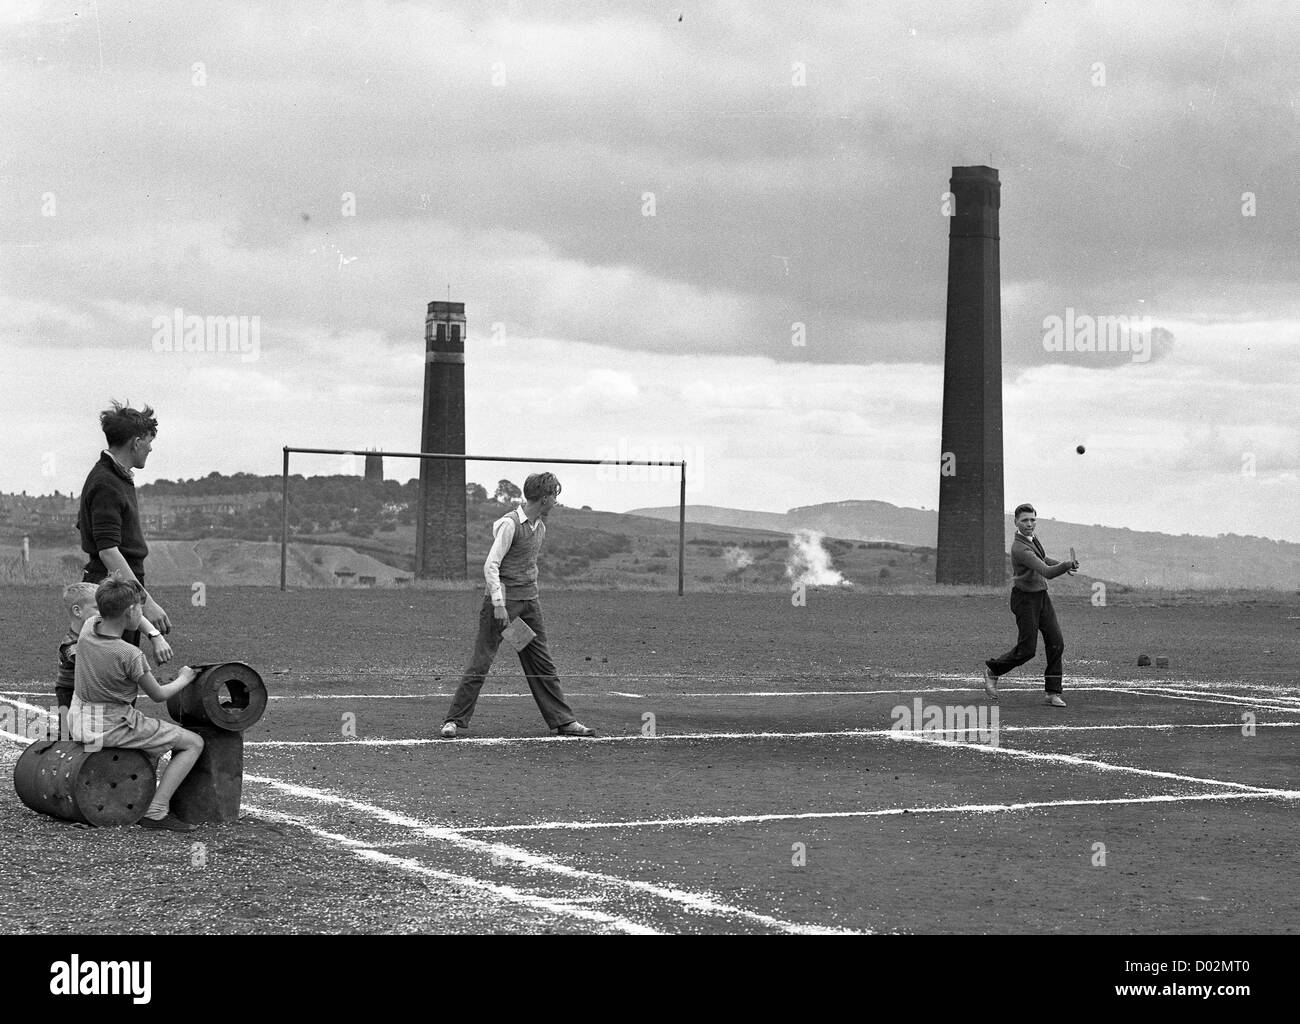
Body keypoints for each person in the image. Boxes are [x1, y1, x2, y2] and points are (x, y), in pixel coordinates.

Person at [441, 472, 595, 738]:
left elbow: (526, 566)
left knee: (540, 663)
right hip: (503, 606)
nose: (556, 501)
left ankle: (564, 721)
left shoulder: (541, 528)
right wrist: (499, 604)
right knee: (482, 661)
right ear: (545, 498)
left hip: (528, 605)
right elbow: (491, 564)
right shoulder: (510, 525)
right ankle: (454, 720)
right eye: (555, 496)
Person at [67, 576, 204, 832]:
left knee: (150, 747)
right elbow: (159, 695)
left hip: (78, 719)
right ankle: (156, 810)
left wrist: (153, 634)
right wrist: (185, 678)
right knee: (194, 743)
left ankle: (137, 795)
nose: (143, 614)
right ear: (130, 611)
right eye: (140, 608)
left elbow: (127, 615)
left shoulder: (87, 627)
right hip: (109, 726)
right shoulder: (130, 655)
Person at [76, 400, 173, 666]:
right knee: (115, 678)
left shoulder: (114, 478)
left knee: (116, 675)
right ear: (136, 442)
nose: (151, 448)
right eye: (149, 441)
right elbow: (108, 551)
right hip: (113, 589)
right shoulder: (107, 483)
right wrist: (145, 601)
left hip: (117, 586)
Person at [982, 503, 1079, 707]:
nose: (1029, 523)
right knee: (1027, 650)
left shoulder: (1032, 539)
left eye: (1032, 519)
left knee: (1056, 642)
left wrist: (1061, 564)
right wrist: (1066, 565)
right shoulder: (1019, 547)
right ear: (1015, 522)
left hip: (1041, 596)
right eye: (1025, 520)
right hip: (1025, 600)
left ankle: (1053, 692)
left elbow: (1043, 559)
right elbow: (1047, 572)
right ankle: (993, 671)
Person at [55, 582, 99, 712]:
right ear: (77, 611)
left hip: (86, 692)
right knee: (67, 729)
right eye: (97, 608)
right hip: (69, 692)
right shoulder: (70, 644)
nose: (103, 612)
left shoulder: (95, 636)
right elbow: (86, 662)